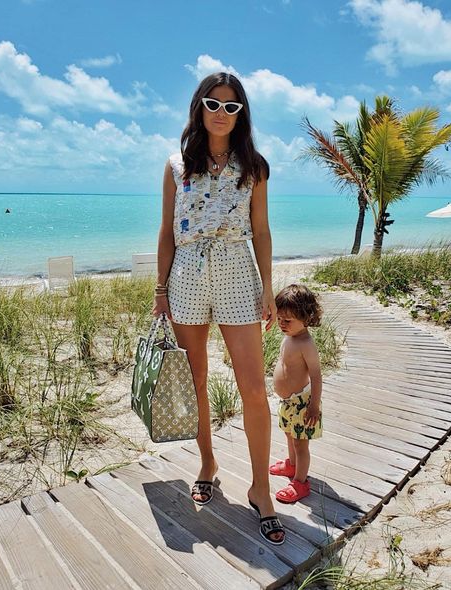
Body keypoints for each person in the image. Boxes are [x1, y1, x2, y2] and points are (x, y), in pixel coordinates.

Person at [152, 72, 285, 545]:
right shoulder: (175, 165)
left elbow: (263, 230)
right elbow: (167, 232)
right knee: (197, 381)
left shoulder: (255, 166)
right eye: (214, 103)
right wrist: (160, 290)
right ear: (200, 107)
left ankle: (260, 489)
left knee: (253, 386)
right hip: (186, 273)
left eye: (232, 107)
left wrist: (268, 288)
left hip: (236, 269)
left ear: (242, 112)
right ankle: (208, 462)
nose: (222, 114)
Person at [269, 284, 323, 502]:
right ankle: (292, 466)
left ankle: (301, 482)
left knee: (301, 443)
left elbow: (317, 376)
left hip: (303, 403)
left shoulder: (306, 343)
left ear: (306, 317)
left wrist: (314, 406)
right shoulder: (289, 337)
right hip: (288, 402)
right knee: (289, 435)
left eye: (287, 320)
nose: (282, 324)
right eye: (280, 319)